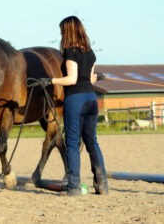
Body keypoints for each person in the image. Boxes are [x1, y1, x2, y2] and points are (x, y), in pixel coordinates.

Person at [41, 16, 108, 196]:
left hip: (76, 100)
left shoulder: (70, 52)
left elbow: (72, 79)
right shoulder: (90, 52)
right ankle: (102, 185)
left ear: (67, 31)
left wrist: (50, 80)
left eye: (62, 30)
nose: (61, 34)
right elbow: (90, 78)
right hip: (91, 100)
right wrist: (96, 77)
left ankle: (74, 187)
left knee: (72, 143)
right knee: (92, 142)